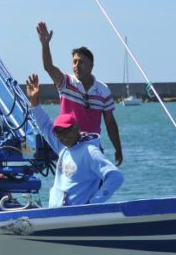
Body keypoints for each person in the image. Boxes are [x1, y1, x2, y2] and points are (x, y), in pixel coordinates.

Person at [26, 74, 123, 207]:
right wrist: (34, 100)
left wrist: (95, 202)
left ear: (76, 128)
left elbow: (116, 176)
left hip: (78, 215)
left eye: (66, 130)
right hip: (57, 214)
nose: (62, 136)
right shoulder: (62, 146)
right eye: (58, 132)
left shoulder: (90, 152)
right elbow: (44, 125)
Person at [36, 21, 123, 166]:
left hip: (92, 147)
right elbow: (48, 67)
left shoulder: (103, 91)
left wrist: (118, 148)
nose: (76, 66)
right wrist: (45, 44)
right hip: (69, 147)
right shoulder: (66, 82)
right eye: (74, 62)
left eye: (81, 62)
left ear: (91, 65)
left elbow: (110, 123)